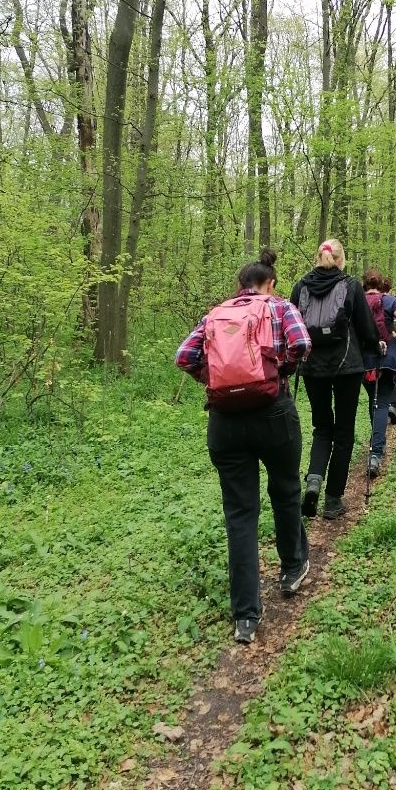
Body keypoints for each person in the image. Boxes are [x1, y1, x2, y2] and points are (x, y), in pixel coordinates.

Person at [175, 249, 312, 646]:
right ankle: (291, 570)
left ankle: (246, 617)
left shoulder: (213, 315)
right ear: (269, 283)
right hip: (273, 414)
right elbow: (301, 345)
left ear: (240, 285)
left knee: (239, 512)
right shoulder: (279, 306)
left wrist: (216, 381)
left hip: (225, 423)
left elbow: (183, 356)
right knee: (286, 490)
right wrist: (276, 372)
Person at [291, 239, 381, 520]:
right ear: (342, 259)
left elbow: (292, 326)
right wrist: (375, 345)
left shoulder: (301, 286)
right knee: (344, 433)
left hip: (313, 367)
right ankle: (332, 501)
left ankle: (314, 479)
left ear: (318, 257)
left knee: (321, 427)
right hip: (347, 367)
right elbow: (367, 330)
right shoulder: (351, 285)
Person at [361, 270, 396, 476]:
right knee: (381, 402)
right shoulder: (389, 300)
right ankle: (376, 453)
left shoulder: (357, 301)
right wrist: (394, 337)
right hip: (386, 360)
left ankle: (375, 444)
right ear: (381, 283)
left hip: (363, 361)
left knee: (372, 401)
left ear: (364, 284)